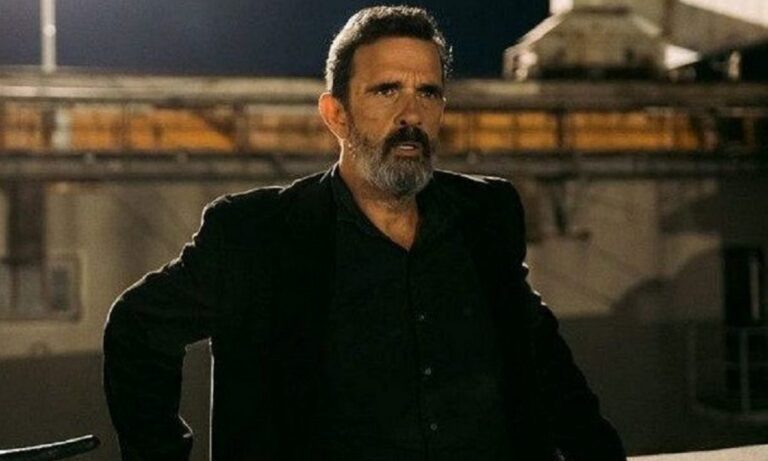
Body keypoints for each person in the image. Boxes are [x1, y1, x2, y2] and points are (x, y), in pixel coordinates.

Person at [103, 5, 626, 461]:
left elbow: (542, 362)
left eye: (428, 92)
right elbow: (137, 329)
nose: (411, 114)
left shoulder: (485, 214)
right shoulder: (257, 235)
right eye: (386, 91)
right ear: (336, 114)